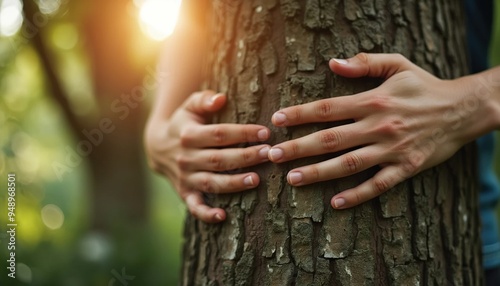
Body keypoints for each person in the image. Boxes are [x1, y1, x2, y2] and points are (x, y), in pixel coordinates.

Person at [144, 0, 500, 283]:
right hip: (222, 251)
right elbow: (195, 15)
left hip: (457, 247)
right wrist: (158, 128)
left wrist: (468, 103)